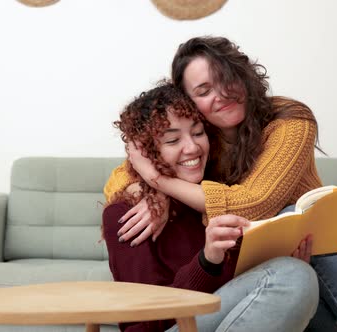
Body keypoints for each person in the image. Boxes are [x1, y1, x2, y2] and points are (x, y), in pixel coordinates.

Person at [104, 37, 337, 332]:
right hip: (263, 261)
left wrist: (160, 182)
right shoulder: (202, 141)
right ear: (190, 104)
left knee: (298, 228)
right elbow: (124, 177)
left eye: (226, 79)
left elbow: (255, 202)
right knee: (293, 283)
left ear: (244, 76)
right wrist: (155, 194)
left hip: (324, 247)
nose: (221, 94)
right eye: (203, 91)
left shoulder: (289, 121)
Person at [103, 81, 319, 332]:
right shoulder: (126, 213)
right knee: (292, 276)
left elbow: (239, 297)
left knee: (297, 275)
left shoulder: (219, 194)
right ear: (147, 153)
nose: (193, 147)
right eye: (173, 140)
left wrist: (278, 258)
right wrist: (207, 262)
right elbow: (140, 326)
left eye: (197, 133)